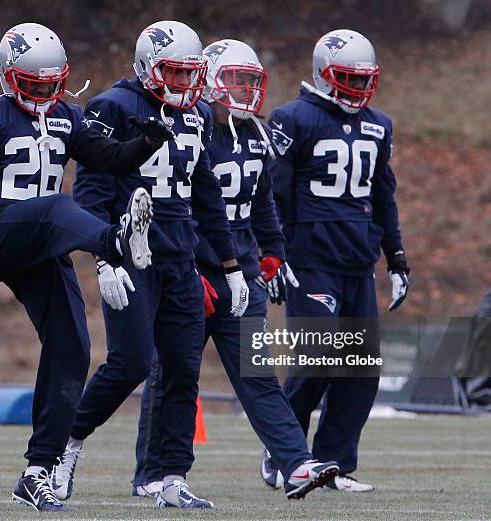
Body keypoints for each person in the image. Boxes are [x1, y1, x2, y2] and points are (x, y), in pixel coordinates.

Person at [0, 22, 173, 512]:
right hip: (0, 232)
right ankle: (114, 242)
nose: (45, 95)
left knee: (72, 350)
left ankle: (36, 471)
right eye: (34, 85)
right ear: (8, 76)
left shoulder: (67, 115)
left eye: (52, 84)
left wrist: (150, 139)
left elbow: (107, 159)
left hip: (44, 243)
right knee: (56, 204)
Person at [50, 21, 249, 509]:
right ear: (146, 67)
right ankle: (63, 447)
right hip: (130, 256)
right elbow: (93, 193)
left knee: (183, 371)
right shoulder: (115, 107)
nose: (185, 85)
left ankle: (172, 476)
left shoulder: (199, 114)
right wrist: (103, 259)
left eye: (191, 75)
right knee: (130, 363)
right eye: (174, 74)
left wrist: (231, 265)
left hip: (181, 258)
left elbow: (206, 197)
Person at [130, 39, 340, 501]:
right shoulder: (192, 130)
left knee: (257, 372)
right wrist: (185, 265)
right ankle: (150, 473)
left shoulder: (258, 135)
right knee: (171, 373)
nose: (245, 90)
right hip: (194, 269)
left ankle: (296, 463)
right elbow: (176, 205)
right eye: (235, 79)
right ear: (208, 81)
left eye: (251, 80)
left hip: (241, 274)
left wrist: (273, 253)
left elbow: (263, 202)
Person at [260, 29, 410, 492]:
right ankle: (284, 453)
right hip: (309, 259)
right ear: (323, 74)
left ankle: (333, 465)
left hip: (356, 259)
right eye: (348, 78)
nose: (359, 89)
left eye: (365, 80)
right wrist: (273, 253)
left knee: (361, 371)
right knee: (316, 359)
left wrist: (397, 258)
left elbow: (384, 198)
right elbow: (272, 194)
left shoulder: (379, 124)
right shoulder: (292, 119)